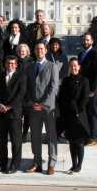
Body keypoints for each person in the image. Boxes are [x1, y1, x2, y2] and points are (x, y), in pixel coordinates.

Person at [25, 41, 59, 175]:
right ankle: (37, 162)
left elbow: (54, 87)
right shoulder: (30, 67)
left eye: (41, 49)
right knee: (35, 136)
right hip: (33, 107)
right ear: (34, 51)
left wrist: (43, 103)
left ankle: (51, 163)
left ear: (45, 51)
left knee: (51, 136)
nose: (39, 51)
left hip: (48, 107)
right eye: (37, 49)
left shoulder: (52, 66)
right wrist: (32, 102)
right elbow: (27, 87)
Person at [0, 56, 26, 174]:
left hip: (14, 113)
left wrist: (9, 106)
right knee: (2, 142)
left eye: (12, 63)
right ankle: (3, 164)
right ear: (5, 64)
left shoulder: (21, 76)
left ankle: (14, 165)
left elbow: (21, 94)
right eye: (8, 63)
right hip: (1, 113)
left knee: (16, 141)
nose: (10, 65)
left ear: (16, 65)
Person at [58, 58, 90, 174]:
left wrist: (77, 110)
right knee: (71, 142)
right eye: (71, 66)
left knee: (79, 143)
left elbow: (85, 98)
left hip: (79, 115)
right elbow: (61, 97)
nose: (73, 68)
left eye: (75, 66)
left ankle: (79, 165)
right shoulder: (65, 80)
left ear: (79, 67)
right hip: (68, 115)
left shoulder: (84, 80)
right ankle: (73, 164)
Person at [78, 32, 97, 146]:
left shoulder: (95, 53)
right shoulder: (81, 54)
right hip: (84, 88)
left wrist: (92, 90)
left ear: (92, 41)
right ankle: (87, 135)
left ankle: (94, 138)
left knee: (92, 112)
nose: (85, 42)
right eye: (84, 40)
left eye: (87, 40)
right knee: (85, 112)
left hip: (92, 89)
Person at [17, 43, 34, 143]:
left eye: (23, 51)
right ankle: (18, 134)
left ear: (27, 52)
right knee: (18, 115)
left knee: (27, 116)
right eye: (19, 51)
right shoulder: (14, 61)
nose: (21, 53)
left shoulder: (32, 61)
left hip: (28, 92)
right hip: (18, 91)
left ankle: (24, 134)